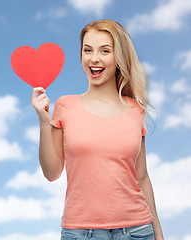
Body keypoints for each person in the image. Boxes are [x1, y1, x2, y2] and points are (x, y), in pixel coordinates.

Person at [31, 20, 164, 240]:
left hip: (138, 231)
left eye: (105, 51)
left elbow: (141, 178)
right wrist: (43, 122)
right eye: (87, 50)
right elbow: (51, 173)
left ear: (119, 57)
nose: (94, 59)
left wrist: (157, 231)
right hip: (80, 232)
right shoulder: (65, 106)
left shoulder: (135, 110)